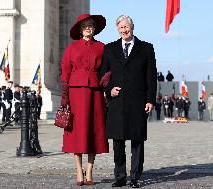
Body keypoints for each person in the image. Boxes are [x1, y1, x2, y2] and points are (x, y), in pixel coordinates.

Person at [99, 15, 157, 188]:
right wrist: (109, 90)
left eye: (126, 27)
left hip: (138, 102)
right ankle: (120, 176)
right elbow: (102, 74)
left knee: (137, 140)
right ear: (118, 29)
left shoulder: (146, 48)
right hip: (117, 102)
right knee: (118, 140)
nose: (124, 30)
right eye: (121, 28)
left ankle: (135, 177)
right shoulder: (110, 49)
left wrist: (150, 100)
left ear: (132, 27)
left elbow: (151, 77)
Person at [60, 13, 109, 186]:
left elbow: (108, 68)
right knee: (78, 132)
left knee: (93, 131)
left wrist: (105, 79)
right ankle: (78, 170)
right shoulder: (71, 48)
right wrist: (65, 97)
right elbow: (65, 73)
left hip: (95, 93)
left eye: (91, 25)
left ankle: (89, 171)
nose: (89, 28)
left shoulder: (102, 47)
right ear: (80, 29)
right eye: (85, 25)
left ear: (94, 29)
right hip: (76, 94)